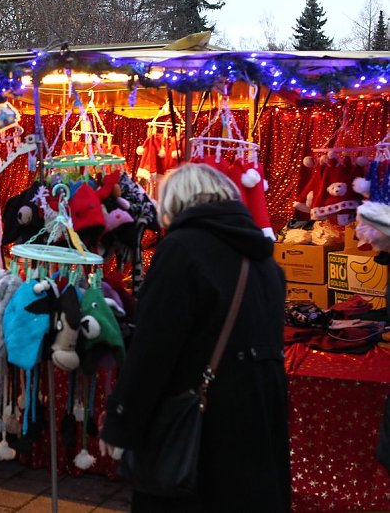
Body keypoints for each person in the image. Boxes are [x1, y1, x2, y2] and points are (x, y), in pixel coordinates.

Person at [100, 163, 290, 513]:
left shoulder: (182, 250)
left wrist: (121, 421)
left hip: (202, 436)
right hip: (257, 427)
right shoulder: (264, 261)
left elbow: (154, 350)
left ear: (174, 204)